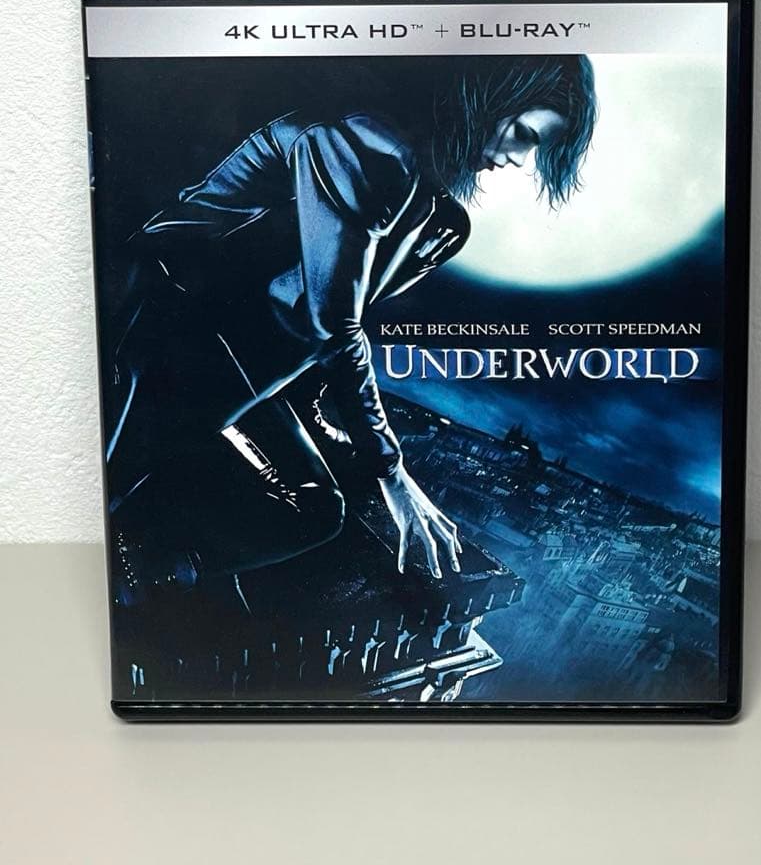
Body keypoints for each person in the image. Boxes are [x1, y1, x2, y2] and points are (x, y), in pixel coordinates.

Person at [105, 55, 597, 603]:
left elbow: (314, 315)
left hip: (232, 366)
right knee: (109, 481)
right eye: (523, 133)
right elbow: (331, 319)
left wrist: (323, 413)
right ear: (489, 101)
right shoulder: (364, 148)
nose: (519, 159)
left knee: (313, 507)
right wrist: (391, 471)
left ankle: (142, 573)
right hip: (152, 327)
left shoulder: (437, 219)